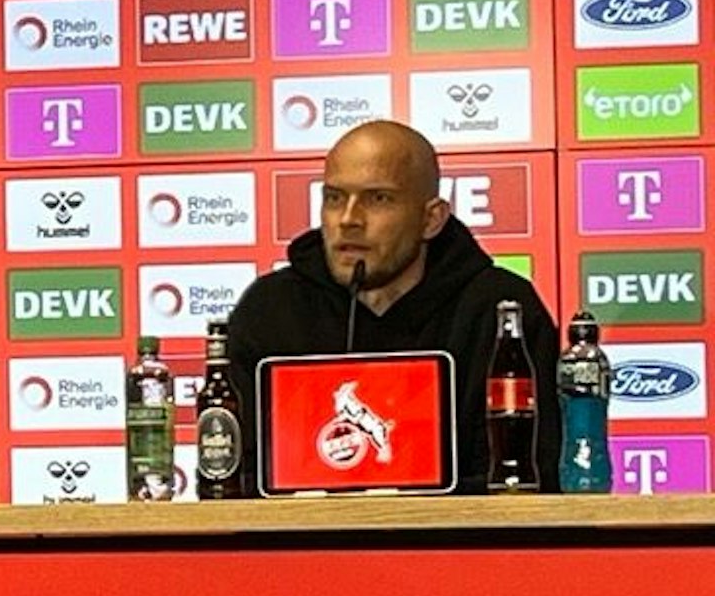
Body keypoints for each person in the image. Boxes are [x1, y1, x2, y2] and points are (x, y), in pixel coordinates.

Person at [227, 119, 562, 493]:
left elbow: (529, 478)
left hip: (462, 546)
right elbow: (240, 479)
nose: (349, 220)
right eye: (335, 198)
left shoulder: (500, 310)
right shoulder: (271, 311)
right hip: (300, 545)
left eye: (378, 199)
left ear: (431, 219)